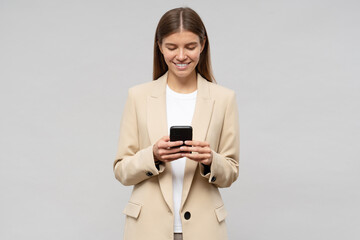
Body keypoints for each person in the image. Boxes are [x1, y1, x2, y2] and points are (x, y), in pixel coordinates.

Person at [113, 7, 239, 240]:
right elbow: (121, 170)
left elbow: (231, 171)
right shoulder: (138, 96)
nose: (181, 56)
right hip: (147, 229)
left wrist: (211, 159)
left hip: (205, 230)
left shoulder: (224, 99)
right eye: (172, 47)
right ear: (160, 47)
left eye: (190, 46)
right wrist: (153, 155)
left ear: (203, 45)